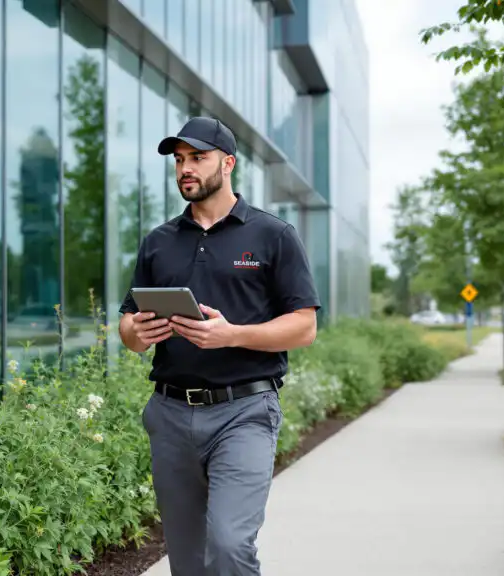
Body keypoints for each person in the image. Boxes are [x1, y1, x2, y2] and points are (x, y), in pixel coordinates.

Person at [118, 116, 320, 576]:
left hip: (245, 411)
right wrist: (136, 333)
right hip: (170, 415)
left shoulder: (273, 235)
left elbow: (304, 327)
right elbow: (128, 326)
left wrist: (233, 334)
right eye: (179, 160)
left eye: (197, 158)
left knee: (229, 546)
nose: (185, 169)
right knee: (187, 561)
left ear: (227, 163)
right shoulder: (159, 242)